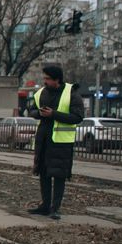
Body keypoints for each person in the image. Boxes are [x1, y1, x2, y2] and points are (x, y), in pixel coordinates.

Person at [26, 64, 84, 220]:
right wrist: (39, 113)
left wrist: (54, 114)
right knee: (44, 174)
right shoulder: (40, 93)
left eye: (47, 79)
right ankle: (45, 205)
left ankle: (55, 208)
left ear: (57, 79)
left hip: (61, 143)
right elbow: (30, 110)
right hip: (44, 140)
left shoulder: (71, 93)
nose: (45, 81)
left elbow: (78, 117)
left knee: (59, 175)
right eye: (44, 78)